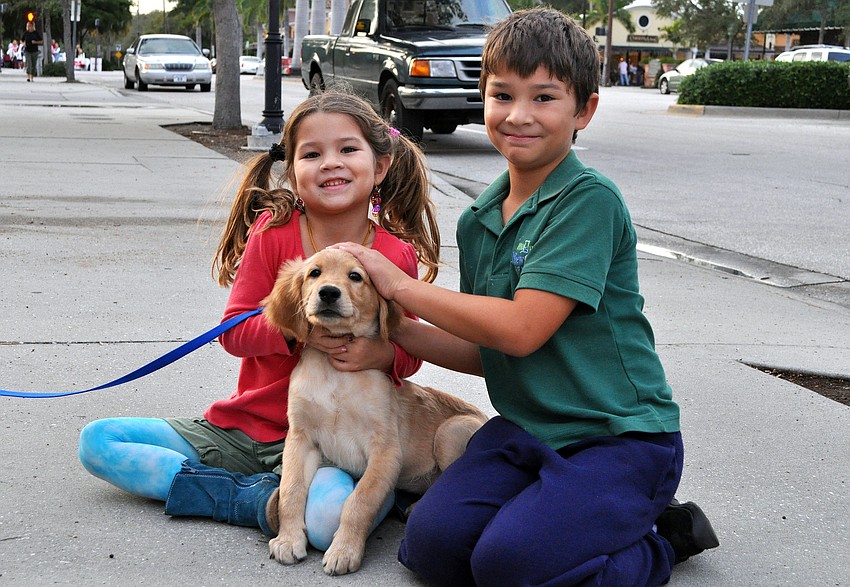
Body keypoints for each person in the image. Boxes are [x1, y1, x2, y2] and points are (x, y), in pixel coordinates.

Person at [337, 8, 718, 586]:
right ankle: (571, 521)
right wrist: (386, 335)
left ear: (583, 110)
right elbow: (487, 348)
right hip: (527, 430)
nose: (518, 115)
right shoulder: (480, 219)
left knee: (509, 565)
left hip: (619, 437)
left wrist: (399, 287)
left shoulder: (586, 201)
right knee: (432, 549)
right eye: (502, 95)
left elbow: (521, 329)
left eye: (544, 98)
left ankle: (658, 539)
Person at [78, 89, 441, 550]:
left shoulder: (393, 254)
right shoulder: (273, 233)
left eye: (348, 149)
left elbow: (408, 352)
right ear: (292, 172)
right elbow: (234, 332)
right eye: (312, 153)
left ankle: (268, 497)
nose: (331, 163)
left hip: (334, 447)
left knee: (329, 523)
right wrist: (303, 329)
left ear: (381, 165)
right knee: (99, 442)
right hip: (245, 428)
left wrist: (380, 351)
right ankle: (257, 503)